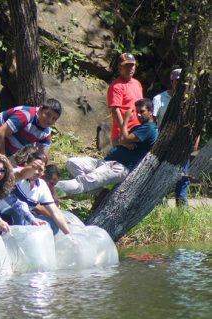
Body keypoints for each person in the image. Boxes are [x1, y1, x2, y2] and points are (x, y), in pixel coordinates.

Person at [56, 98, 157, 197]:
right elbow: (120, 139)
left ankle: (52, 188)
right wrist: (124, 143)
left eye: (142, 111)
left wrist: (126, 119)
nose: (138, 115)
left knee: (85, 181)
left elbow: (124, 137)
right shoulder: (139, 127)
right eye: (137, 112)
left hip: (120, 166)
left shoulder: (149, 128)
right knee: (72, 162)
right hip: (106, 162)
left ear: (151, 111)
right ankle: (100, 193)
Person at [152, 68, 199, 206]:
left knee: (183, 177)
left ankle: (181, 205)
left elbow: (196, 124)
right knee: (161, 176)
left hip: (183, 145)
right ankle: (159, 204)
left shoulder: (192, 101)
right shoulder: (159, 99)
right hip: (164, 143)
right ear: (172, 81)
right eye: (177, 81)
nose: (180, 85)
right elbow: (153, 122)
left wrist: (195, 144)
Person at [0, 98, 62, 166]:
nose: (49, 120)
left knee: (14, 179)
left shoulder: (46, 132)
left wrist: (44, 170)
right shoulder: (26, 115)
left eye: (54, 118)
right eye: (47, 114)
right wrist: (3, 162)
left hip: (4, 152)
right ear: (41, 108)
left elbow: (44, 156)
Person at [11, 150, 70, 235]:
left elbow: (55, 212)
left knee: (53, 225)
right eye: (33, 167)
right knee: (18, 212)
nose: (35, 172)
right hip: (5, 214)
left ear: (43, 172)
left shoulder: (42, 186)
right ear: (26, 164)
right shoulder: (16, 174)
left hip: (26, 217)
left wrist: (70, 235)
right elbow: (22, 174)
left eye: (39, 169)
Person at [108, 52, 143, 146]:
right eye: (127, 66)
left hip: (137, 133)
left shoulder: (137, 84)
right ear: (120, 68)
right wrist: (124, 133)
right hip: (122, 136)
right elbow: (115, 110)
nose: (130, 68)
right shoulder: (116, 86)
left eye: (132, 65)